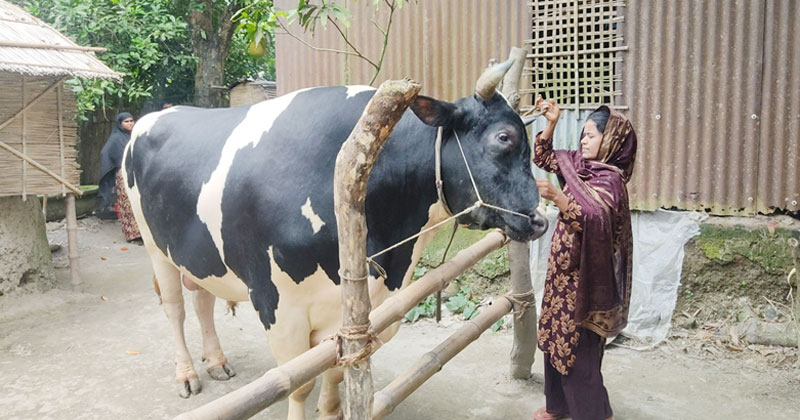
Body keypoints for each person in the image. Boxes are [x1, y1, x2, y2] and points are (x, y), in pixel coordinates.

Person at [531, 95, 637, 420]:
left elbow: (594, 221)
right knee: (554, 340)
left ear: (612, 140)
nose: (583, 140)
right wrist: (551, 122)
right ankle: (558, 405)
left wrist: (558, 197)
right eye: (583, 134)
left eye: (591, 134)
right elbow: (543, 156)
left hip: (586, 284)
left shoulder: (612, 180)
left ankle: (595, 414)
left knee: (579, 352)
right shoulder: (578, 166)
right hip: (561, 277)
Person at [97, 112, 134, 220]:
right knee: (127, 199)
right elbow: (109, 153)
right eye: (126, 121)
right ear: (120, 123)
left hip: (134, 171)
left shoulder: (133, 135)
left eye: (131, 121)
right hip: (123, 173)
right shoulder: (116, 138)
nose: (130, 124)